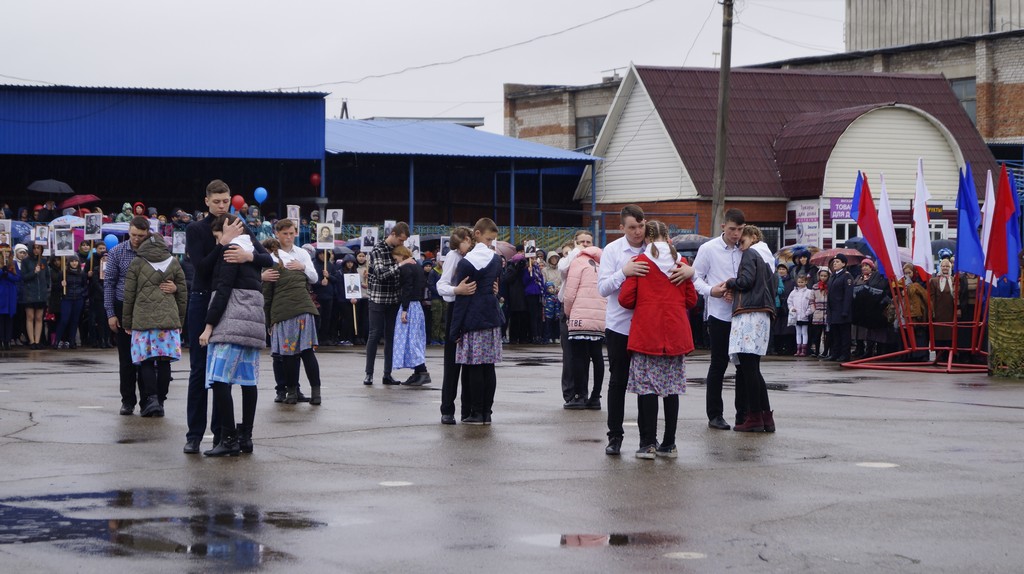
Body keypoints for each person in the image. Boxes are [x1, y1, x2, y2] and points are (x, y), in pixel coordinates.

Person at [183, 179, 275, 454]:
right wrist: (221, 244)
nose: (222, 206)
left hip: (230, 301)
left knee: (224, 372)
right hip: (203, 298)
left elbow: (267, 259)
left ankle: (223, 434)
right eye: (217, 201)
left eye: (226, 201)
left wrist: (248, 257)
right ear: (207, 201)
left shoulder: (239, 225)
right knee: (201, 370)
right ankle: (194, 434)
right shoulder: (196, 229)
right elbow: (200, 268)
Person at [598, 205, 688, 454]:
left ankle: (648, 440)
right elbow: (603, 288)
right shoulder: (613, 250)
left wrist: (690, 272)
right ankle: (615, 437)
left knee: (647, 386)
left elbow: (686, 281)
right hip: (621, 326)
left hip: (652, 331)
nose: (638, 232)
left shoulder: (663, 252)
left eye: (641, 226)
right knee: (618, 382)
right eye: (632, 228)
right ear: (621, 228)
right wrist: (623, 273)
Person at [618, 220, 697, 457]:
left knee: (647, 389)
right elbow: (691, 301)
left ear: (648, 239)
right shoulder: (681, 264)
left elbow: (625, 299)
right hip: (675, 332)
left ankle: (647, 444)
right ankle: (669, 443)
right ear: (668, 237)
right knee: (671, 389)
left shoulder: (641, 263)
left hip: (647, 333)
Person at [200, 214, 267, 457]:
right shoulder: (249, 245)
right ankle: (246, 437)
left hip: (231, 321)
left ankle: (228, 439)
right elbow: (270, 258)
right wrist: (251, 257)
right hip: (253, 321)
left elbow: (223, 290)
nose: (218, 241)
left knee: (219, 380)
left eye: (218, 236)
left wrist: (208, 326)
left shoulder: (230, 252)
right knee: (248, 381)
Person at [106, 217, 174, 415]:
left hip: (148, 309)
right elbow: (109, 284)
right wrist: (111, 313)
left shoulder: (157, 254)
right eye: (133, 235)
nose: (136, 239)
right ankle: (127, 400)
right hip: (122, 306)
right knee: (126, 359)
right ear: (129, 231)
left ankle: (148, 400)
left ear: (148, 234)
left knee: (147, 357)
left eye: (141, 236)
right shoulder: (117, 252)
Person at [691, 208, 746, 430]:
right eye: (732, 229)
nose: (736, 234)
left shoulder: (747, 248)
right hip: (719, 314)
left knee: (744, 366)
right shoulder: (709, 249)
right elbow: (694, 277)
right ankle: (715, 414)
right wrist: (711, 290)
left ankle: (743, 413)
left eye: (740, 230)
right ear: (723, 227)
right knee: (719, 363)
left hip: (743, 314)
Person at [122, 235, 187, 417]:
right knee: (164, 361)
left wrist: (127, 321)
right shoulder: (173, 262)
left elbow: (129, 295)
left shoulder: (137, 263)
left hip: (143, 320)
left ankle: (151, 400)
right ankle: (162, 401)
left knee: (147, 361)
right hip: (169, 319)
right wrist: (180, 320)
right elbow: (182, 294)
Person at [449, 218, 504, 425]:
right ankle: (487, 413)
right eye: (490, 239)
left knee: (474, 368)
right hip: (491, 317)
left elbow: (462, 299)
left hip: (472, 319)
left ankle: (476, 412)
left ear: (475, 233)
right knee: (488, 367)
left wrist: (455, 330)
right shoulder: (496, 260)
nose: (491, 243)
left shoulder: (466, 262)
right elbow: (497, 287)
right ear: (480, 234)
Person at [264, 219, 322, 405]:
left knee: (295, 353)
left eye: (291, 233)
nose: (289, 237)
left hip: (295, 309)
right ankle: (291, 391)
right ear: (277, 234)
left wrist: (303, 266)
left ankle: (297, 393)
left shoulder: (302, 253)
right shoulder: (271, 256)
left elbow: (314, 278)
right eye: (285, 234)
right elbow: (267, 289)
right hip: (289, 309)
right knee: (296, 353)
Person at [725, 225, 776, 433]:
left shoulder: (751, 253)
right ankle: (765, 416)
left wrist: (730, 282)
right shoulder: (768, 257)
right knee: (754, 369)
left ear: (753, 237)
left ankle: (754, 416)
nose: (739, 245)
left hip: (749, 314)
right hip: (762, 315)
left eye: (742, 241)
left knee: (749, 369)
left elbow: (746, 281)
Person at [435, 226, 474, 424]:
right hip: (456, 308)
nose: (461, 251)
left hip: (473, 312)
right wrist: (456, 290)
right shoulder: (453, 256)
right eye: (458, 249)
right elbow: (441, 285)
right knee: (452, 363)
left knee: (469, 363)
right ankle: (447, 409)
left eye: (461, 247)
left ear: (468, 238)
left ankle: (467, 410)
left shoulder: (477, 253)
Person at [363, 221, 410, 385]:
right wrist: (401, 264)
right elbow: (381, 274)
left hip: (394, 299)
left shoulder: (398, 250)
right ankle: (369, 373)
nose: (402, 244)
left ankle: (387, 374)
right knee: (374, 334)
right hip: (378, 298)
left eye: (404, 241)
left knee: (390, 336)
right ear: (393, 235)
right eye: (401, 240)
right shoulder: (378, 249)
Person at [562, 240, 605, 410]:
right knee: (597, 356)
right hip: (599, 315)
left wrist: (568, 312)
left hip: (580, 314)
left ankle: (579, 396)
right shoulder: (601, 263)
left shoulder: (578, 262)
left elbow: (570, 293)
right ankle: (596, 396)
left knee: (579, 357)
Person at [392, 245, 431, 386]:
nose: (395, 261)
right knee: (415, 339)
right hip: (417, 306)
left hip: (410, 306)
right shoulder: (417, 266)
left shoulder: (406, 268)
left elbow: (406, 288)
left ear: (401, 255)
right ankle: (418, 372)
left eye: (396, 258)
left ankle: (422, 371)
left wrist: (404, 309)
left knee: (410, 340)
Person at [52, 256, 88, 349]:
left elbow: (85, 286)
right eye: (72, 261)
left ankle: (72, 341)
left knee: (75, 321)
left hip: (78, 299)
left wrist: (81, 293)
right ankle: (57, 340)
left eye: (76, 261)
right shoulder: (63, 273)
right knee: (64, 320)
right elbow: (56, 288)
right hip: (66, 299)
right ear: (69, 263)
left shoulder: (82, 274)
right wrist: (61, 285)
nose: (74, 263)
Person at [825, 253, 854, 362]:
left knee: (844, 334)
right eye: (834, 262)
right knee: (835, 334)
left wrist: (845, 311)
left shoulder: (847, 276)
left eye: (837, 262)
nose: (835, 264)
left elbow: (848, 295)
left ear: (844, 264)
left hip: (842, 310)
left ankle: (845, 354)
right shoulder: (833, 275)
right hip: (833, 311)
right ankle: (835, 353)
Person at [21, 243, 51, 350]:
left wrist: (46, 287)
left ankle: (37, 341)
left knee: (39, 318)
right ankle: (31, 340)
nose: (36, 250)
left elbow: (47, 276)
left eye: (39, 248)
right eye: (35, 248)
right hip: (30, 294)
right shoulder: (26, 261)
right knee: (30, 317)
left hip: (41, 294)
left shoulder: (43, 261)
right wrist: (34, 272)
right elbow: (24, 277)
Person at [928, 258, 957, 361]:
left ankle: (949, 357)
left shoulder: (954, 280)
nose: (945, 268)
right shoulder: (934, 281)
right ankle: (939, 356)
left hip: (951, 312)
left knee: (950, 334)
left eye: (947, 266)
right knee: (938, 334)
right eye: (943, 266)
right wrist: (932, 311)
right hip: (938, 312)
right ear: (940, 267)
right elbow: (931, 297)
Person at [787, 273, 815, 356]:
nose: (800, 284)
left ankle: (804, 350)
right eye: (799, 282)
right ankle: (798, 349)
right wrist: (792, 309)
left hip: (805, 316)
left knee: (804, 332)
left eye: (802, 282)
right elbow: (789, 302)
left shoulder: (809, 292)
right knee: (798, 332)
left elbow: (811, 303)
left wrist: (808, 312)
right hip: (796, 316)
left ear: (806, 282)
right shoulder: (793, 292)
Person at [0, 242, 19, 351]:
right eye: (4, 252)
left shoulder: (14, 263)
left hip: (10, 294)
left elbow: (17, 278)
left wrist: (9, 274)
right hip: (1, 293)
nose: (6, 254)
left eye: (7, 252)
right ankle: (1, 340)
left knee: (9, 318)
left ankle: (8, 340)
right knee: (1, 318)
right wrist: (2, 272)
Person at [810, 267, 831, 358]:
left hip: (827, 313)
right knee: (817, 334)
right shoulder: (815, 287)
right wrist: (813, 311)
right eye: (821, 275)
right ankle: (817, 351)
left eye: (825, 276)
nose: (823, 277)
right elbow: (811, 300)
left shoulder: (830, 286)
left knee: (827, 334)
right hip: (817, 313)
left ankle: (825, 351)